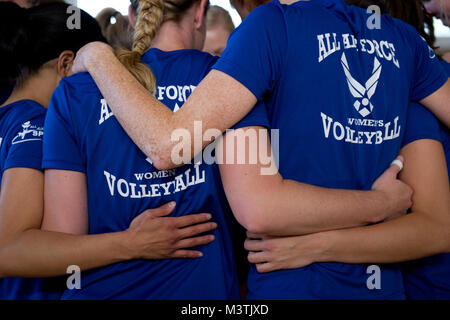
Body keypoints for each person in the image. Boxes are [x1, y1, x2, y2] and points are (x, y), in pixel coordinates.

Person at [72, 0, 450, 299]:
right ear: (201, 11)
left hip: (294, 287)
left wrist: (97, 55)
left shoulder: (269, 27)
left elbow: (166, 146)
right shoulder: (403, 39)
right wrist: (380, 205)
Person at [42, 0, 260, 300]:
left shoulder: (75, 92)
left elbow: (59, 247)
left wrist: (124, 243)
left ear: (134, 16)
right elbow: (256, 211)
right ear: (200, 12)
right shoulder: (230, 84)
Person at [0, 2, 215, 300]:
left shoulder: (27, 114)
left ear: (133, 15)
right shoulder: (36, 125)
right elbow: (10, 249)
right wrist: (129, 242)